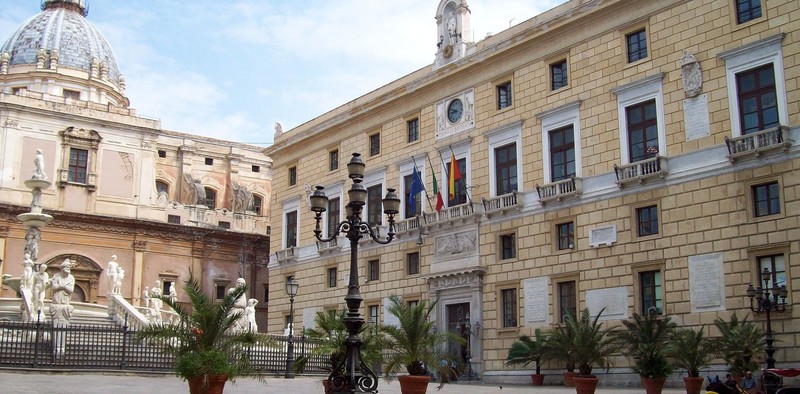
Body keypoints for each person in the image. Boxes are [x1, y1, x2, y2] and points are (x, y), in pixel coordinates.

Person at [50, 259, 75, 326]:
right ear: (62, 268)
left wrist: (61, 286)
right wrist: (64, 286)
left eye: (69, 267)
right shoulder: (56, 276)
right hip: (57, 300)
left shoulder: (71, 278)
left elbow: (71, 290)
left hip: (66, 301)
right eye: (67, 267)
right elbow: (53, 287)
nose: (68, 268)